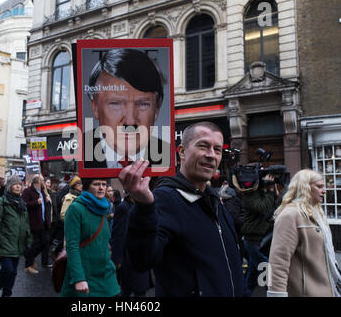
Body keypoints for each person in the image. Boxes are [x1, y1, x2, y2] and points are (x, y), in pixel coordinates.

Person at [119, 121, 245, 296]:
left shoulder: (215, 201)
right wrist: (144, 207)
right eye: (203, 146)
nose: (211, 155)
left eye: (217, 149)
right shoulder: (166, 199)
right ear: (182, 152)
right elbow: (142, 260)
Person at [83, 48, 169, 169]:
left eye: (143, 104)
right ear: (95, 107)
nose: (130, 122)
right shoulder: (80, 151)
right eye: (115, 103)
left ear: (157, 109)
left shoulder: (168, 157)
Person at [267, 169, 341, 297]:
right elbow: (278, 262)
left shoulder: (317, 214)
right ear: (304, 187)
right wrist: (277, 294)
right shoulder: (290, 215)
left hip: (327, 289)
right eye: (319, 186)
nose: (324, 190)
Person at [61, 178, 120, 297]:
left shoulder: (103, 207)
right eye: (96, 184)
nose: (101, 187)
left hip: (106, 275)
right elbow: (72, 246)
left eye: (104, 184)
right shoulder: (75, 209)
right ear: (87, 187)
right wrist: (78, 278)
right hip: (85, 276)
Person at [0, 175, 32, 297]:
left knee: (13, 272)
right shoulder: (2, 202)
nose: (18, 186)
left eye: (19, 184)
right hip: (4, 242)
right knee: (8, 270)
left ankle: (6, 294)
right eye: (15, 184)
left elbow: (26, 224)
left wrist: (28, 241)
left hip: (17, 244)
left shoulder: (22, 204)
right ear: (9, 187)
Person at [239, 174, 277, 294]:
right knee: (267, 273)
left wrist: (271, 190)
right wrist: (269, 191)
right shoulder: (248, 195)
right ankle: (271, 293)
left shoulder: (260, 193)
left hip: (259, 241)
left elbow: (271, 207)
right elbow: (263, 208)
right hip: (253, 242)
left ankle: (246, 293)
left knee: (253, 276)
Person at [111, 193, 152, 297]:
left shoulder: (139, 205)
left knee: (138, 289)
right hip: (129, 255)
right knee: (130, 289)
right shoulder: (123, 208)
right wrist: (117, 258)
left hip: (140, 254)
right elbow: (118, 234)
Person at [22, 174, 52, 274]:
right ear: (36, 182)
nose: (43, 183)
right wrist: (35, 202)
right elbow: (23, 205)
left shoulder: (43, 192)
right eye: (42, 181)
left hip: (43, 222)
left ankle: (30, 258)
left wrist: (47, 201)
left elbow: (46, 208)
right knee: (34, 243)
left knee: (45, 242)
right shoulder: (28, 191)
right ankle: (29, 264)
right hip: (33, 223)